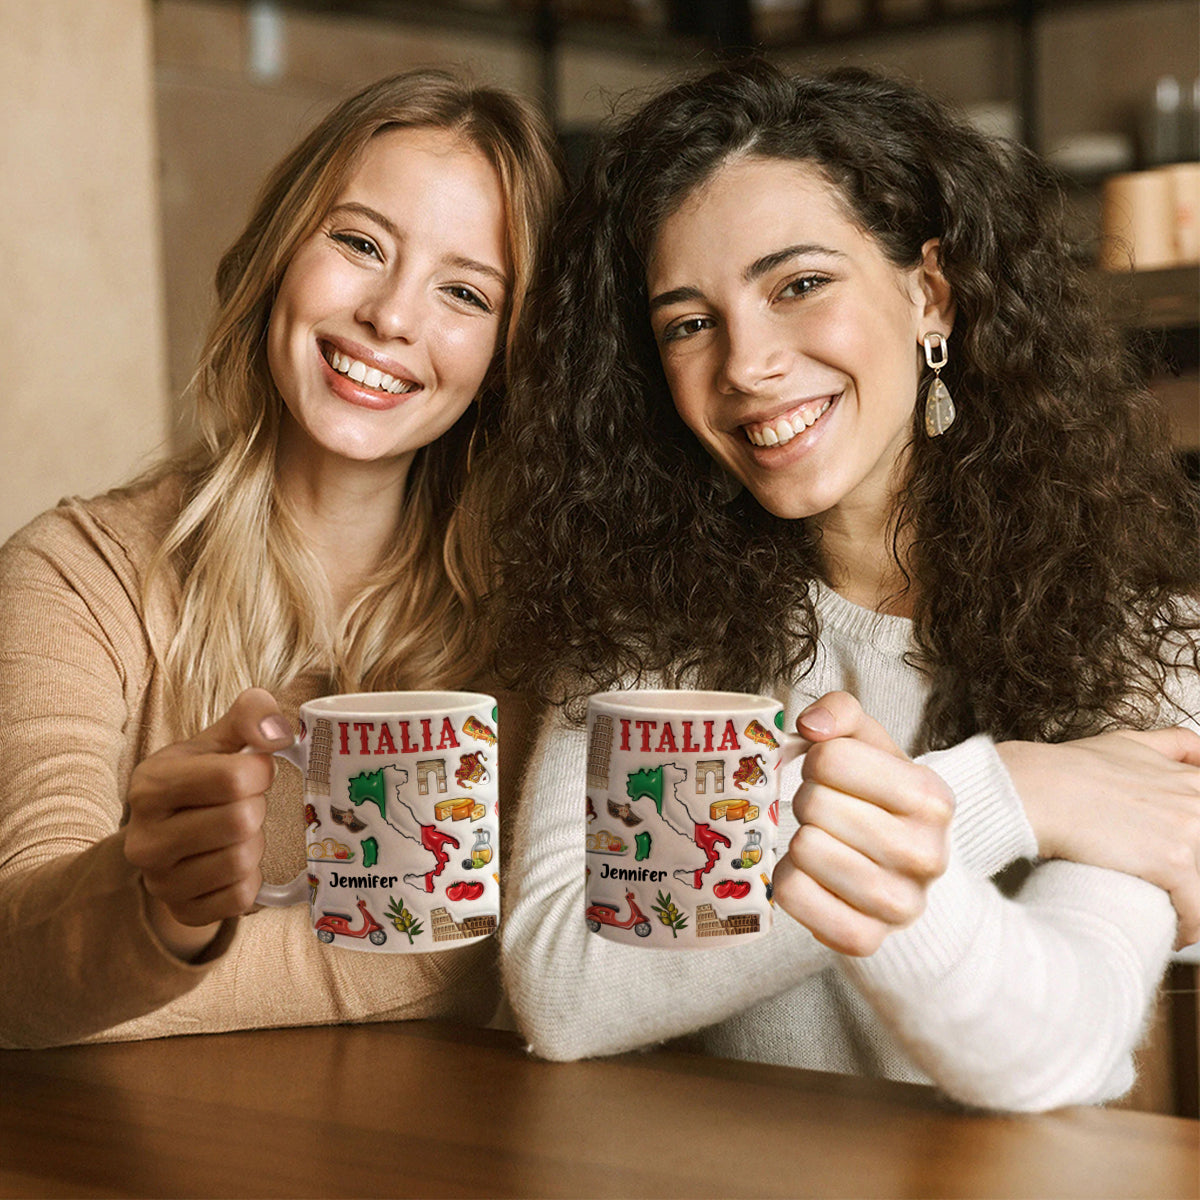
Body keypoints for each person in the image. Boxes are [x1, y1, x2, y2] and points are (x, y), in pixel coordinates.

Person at [489, 60, 1200, 1111]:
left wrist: (882, 818)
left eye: (799, 285)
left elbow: (1055, 1046)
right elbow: (562, 988)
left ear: (930, 295)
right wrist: (1005, 793)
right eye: (689, 322)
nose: (746, 363)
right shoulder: (644, 630)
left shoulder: (1144, 637)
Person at [0, 68, 563, 1048]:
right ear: (278, 256)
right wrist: (158, 911)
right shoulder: (75, 575)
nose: (391, 315)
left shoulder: (539, 620)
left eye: (465, 292)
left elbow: (510, 946)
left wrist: (141, 974)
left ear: (508, 355)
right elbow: (18, 967)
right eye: (359, 243)